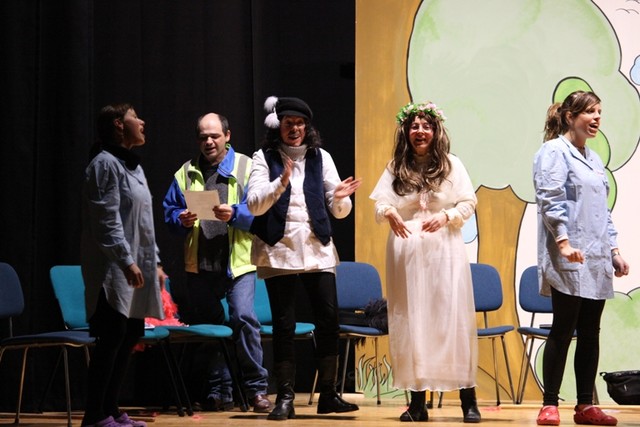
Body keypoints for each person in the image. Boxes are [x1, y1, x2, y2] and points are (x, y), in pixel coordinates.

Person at [246, 96, 362, 420]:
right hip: (278, 249)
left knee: (328, 319)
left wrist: (340, 199)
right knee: (284, 324)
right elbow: (254, 205)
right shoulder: (263, 157)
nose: (295, 129)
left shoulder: (320, 157)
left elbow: (339, 211)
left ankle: (329, 394)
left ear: (307, 127)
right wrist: (280, 183)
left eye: (300, 123)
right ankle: (285, 396)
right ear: (278, 126)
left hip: (316, 248)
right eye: (289, 123)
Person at [370, 101, 480, 423]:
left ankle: (468, 400)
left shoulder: (452, 165)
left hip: (444, 251)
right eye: (414, 126)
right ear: (406, 131)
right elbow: (380, 203)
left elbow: (468, 201)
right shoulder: (396, 167)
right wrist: (389, 212)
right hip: (406, 252)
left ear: (436, 131)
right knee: (413, 323)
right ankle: (417, 403)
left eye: (426, 126)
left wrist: (446, 216)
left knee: (451, 321)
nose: (420, 131)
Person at [163, 113, 272, 413]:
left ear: (227, 135)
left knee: (244, 319)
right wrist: (180, 219)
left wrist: (235, 214)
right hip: (200, 266)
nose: (208, 142)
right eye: (203, 137)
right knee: (212, 329)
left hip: (238, 262)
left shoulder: (247, 167)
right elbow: (169, 211)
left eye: (214, 136)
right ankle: (220, 391)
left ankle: (256, 390)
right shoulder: (185, 172)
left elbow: (262, 210)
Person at [533, 90, 629, 427]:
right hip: (569, 253)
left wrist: (614, 250)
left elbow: (603, 210)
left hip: (596, 255)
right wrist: (562, 241)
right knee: (563, 329)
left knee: (590, 331)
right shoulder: (553, 152)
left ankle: (585, 405)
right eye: (590, 112)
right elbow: (549, 198)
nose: (597, 118)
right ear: (570, 117)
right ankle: (549, 404)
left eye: (599, 111)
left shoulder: (594, 159)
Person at [80, 103, 165, 427]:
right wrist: (126, 261)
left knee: (129, 334)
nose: (142, 122)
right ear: (118, 123)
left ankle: (111, 410)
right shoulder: (104, 164)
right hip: (112, 270)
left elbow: (144, 222)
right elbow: (106, 220)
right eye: (134, 117)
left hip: (134, 268)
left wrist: (155, 262)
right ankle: (94, 416)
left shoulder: (133, 166)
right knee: (112, 337)